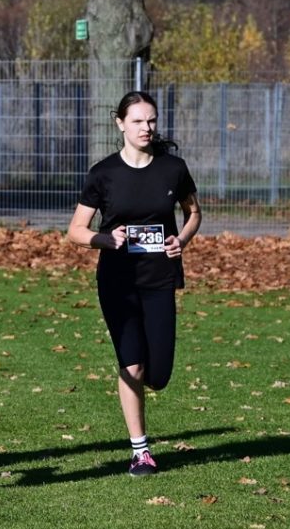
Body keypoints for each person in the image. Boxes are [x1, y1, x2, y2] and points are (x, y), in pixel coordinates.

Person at [67, 90, 201, 476]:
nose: (146, 127)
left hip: (160, 279)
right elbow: (75, 230)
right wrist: (105, 239)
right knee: (133, 365)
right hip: (118, 283)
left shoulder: (173, 169)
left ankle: (146, 414)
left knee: (158, 375)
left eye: (151, 120)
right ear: (120, 124)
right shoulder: (103, 173)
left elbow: (194, 213)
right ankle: (140, 451)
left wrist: (181, 240)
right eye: (138, 121)